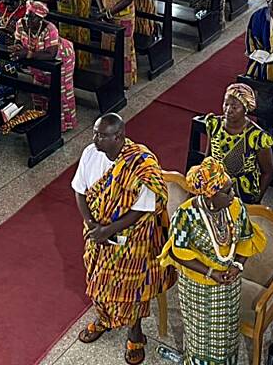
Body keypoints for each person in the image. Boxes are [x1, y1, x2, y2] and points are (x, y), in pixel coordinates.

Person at [72, 114, 171, 365]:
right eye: (95, 132)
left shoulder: (141, 164)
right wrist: (92, 225)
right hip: (96, 232)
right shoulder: (90, 153)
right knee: (97, 279)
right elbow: (80, 190)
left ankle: (135, 332)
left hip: (132, 237)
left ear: (118, 136)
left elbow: (143, 208)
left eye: (102, 135)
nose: (95, 139)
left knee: (132, 288)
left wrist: (109, 230)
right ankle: (104, 318)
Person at [159, 158, 266, 365]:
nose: (233, 195)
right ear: (209, 196)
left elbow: (246, 238)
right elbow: (178, 252)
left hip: (228, 285)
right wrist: (210, 272)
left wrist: (237, 265)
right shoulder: (186, 215)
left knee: (226, 334)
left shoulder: (235, 208)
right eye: (227, 191)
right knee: (200, 337)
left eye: (231, 189)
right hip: (197, 287)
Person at [203, 83, 273, 204]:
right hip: (216, 185)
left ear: (245, 109)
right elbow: (208, 158)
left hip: (244, 191)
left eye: (235, 107)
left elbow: (267, 171)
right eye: (226, 104)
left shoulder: (257, 137)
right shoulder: (214, 124)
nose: (228, 110)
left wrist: (257, 199)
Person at [12, 0, 77, 130]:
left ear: (40, 19)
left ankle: (62, 124)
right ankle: (42, 118)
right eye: (27, 15)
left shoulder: (50, 29)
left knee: (60, 90)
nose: (28, 20)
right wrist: (17, 49)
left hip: (62, 60)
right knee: (39, 87)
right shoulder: (20, 24)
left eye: (32, 17)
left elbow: (51, 54)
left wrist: (28, 54)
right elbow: (18, 40)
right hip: (38, 61)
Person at [97, 0, 138, 89]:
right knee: (107, 46)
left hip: (123, 18)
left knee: (124, 48)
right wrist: (102, 10)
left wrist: (109, 13)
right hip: (107, 16)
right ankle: (109, 77)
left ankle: (125, 81)